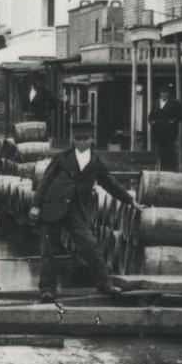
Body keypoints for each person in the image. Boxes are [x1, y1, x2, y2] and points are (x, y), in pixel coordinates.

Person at [32, 118, 138, 299]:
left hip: (76, 211)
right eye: (78, 139)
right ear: (73, 140)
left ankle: (105, 285)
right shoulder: (61, 157)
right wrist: (35, 205)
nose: (82, 142)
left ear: (92, 140)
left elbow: (110, 183)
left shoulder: (96, 163)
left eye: (85, 139)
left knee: (91, 246)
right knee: (48, 251)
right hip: (53, 207)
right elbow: (45, 181)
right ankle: (47, 290)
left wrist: (129, 200)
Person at [149, 89, 182, 173]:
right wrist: (152, 122)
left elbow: (180, 116)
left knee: (169, 149)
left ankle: (170, 169)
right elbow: (151, 115)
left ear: (168, 94)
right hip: (158, 130)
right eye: (162, 93)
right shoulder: (155, 102)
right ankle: (159, 167)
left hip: (169, 130)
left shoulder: (175, 102)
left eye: (165, 93)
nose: (163, 95)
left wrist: (172, 121)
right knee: (159, 148)